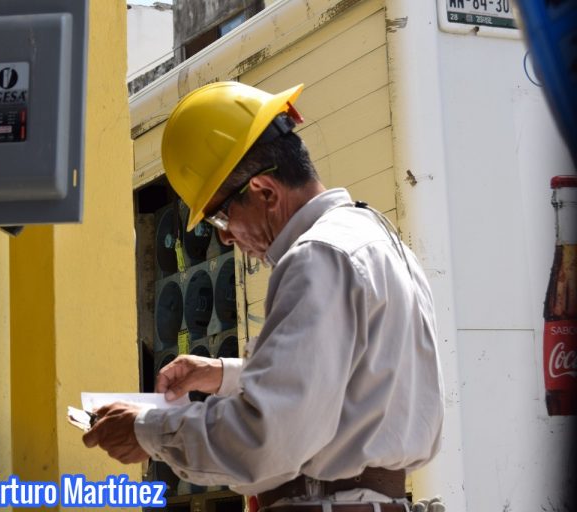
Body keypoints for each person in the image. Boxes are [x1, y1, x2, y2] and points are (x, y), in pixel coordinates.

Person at [83, 82, 444, 511]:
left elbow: (267, 438)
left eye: (221, 215)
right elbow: (341, 383)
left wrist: (147, 429)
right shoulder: (377, 241)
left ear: (266, 192)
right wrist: (224, 375)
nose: (226, 237)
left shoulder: (316, 259)